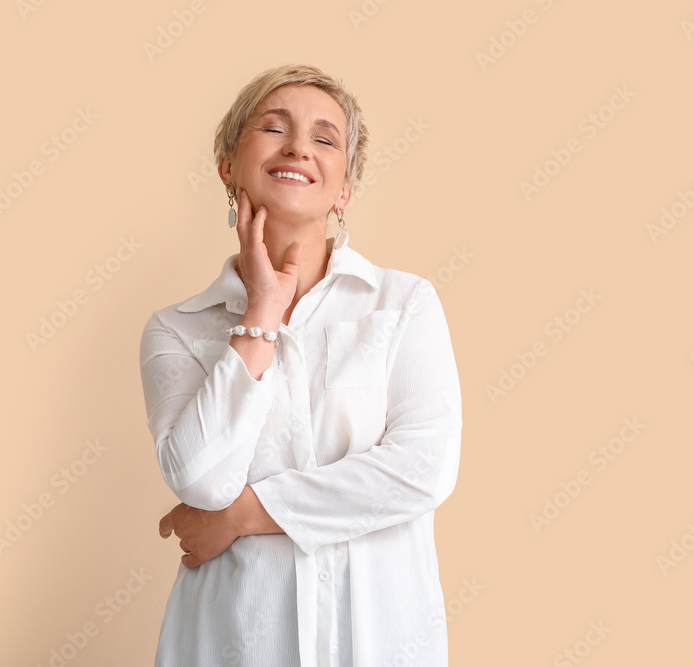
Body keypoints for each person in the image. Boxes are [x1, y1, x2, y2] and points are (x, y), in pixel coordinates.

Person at [139, 64, 462, 667]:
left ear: (344, 189)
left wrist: (241, 517)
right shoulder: (177, 330)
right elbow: (201, 480)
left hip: (380, 643)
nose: (297, 147)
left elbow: (423, 469)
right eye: (273, 126)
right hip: (236, 643)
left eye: (324, 137)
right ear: (228, 166)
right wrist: (261, 314)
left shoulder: (402, 304)